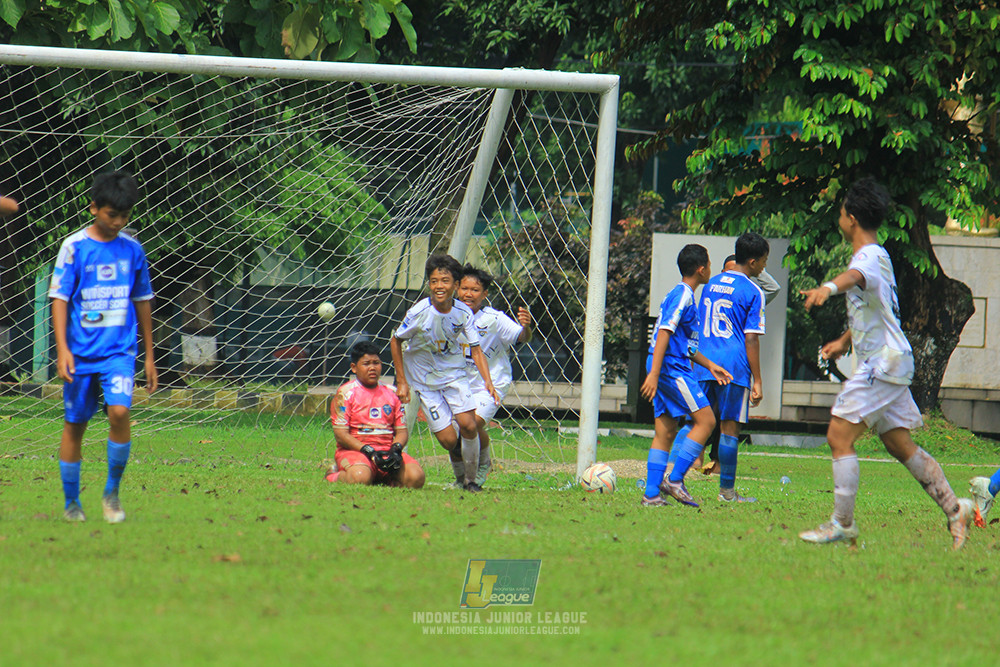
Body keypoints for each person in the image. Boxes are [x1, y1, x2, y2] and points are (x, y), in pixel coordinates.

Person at [798, 177, 973, 549]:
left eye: (842, 212)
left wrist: (826, 288)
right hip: (890, 361)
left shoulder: (868, 258)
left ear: (851, 218)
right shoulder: (880, 255)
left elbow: (854, 279)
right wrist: (846, 341)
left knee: (838, 435)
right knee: (899, 445)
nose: (840, 218)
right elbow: (879, 308)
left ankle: (841, 523)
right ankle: (955, 509)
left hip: (883, 365)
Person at [49, 171, 157, 523]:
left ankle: (112, 493)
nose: (119, 222)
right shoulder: (74, 247)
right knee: (74, 425)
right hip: (80, 354)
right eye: (113, 215)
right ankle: (71, 504)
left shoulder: (132, 250)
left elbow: (142, 300)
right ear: (94, 208)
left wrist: (150, 356)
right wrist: (62, 349)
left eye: (125, 216)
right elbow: (60, 299)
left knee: (121, 412)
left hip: (118, 353)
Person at [390, 253, 498, 492]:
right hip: (425, 382)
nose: (439, 286)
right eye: (434, 281)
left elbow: (476, 349)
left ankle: (470, 482)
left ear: (456, 285)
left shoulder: (463, 313)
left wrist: (488, 381)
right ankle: (463, 474)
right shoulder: (418, 313)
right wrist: (402, 381)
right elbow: (395, 341)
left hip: (454, 375)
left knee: (469, 425)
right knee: (449, 440)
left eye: (445, 281)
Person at [639, 243, 732, 508]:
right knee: (706, 421)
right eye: (710, 265)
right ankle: (676, 480)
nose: (710, 269)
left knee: (666, 431)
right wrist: (655, 374)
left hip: (666, 363)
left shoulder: (683, 295)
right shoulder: (683, 295)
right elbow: (665, 333)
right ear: (702, 269)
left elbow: (687, 345)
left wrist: (710, 365)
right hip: (669, 367)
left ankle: (651, 494)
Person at [688, 232, 770, 503]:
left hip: (704, 364)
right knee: (729, 429)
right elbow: (751, 338)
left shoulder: (710, 284)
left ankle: (675, 477)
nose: (764, 267)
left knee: (698, 423)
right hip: (733, 366)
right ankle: (727, 492)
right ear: (755, 262)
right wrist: (757, 379)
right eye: (764, 262)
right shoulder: (753, 290)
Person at [456, 264, 532, 488]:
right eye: (464, 288)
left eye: (475, 289)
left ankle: (477, 471)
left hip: (491, 385)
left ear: (485, 294)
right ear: (457, 289)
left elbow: (522, 337)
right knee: (463, 431)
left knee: (470, 426)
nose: (468, 294)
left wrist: (527, 326)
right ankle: (480, 466)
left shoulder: (494, 319)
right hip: (460, 385)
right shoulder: (449, 316)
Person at [325, 342, 424, 488]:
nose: (372, 368)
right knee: (360, 478)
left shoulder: (392, 392)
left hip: (386, 452)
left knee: (416, 478)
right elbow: (341, 435)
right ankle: (333, 475)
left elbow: (402, 431)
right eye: (366, 363)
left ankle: (383, 477)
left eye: (376, 363)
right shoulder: (345, 394)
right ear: (354, 368)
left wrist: (396, 449)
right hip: (356, 452)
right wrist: (368, 450)